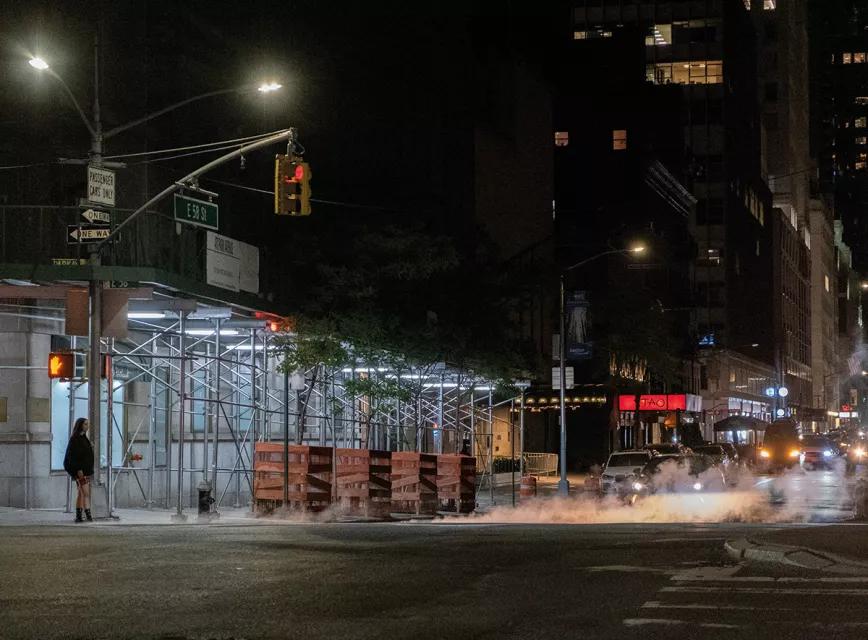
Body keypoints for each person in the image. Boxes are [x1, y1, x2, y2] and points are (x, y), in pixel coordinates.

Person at [63, 417, 94, 523]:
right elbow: (74, 456)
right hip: (80, 471)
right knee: (85, 493)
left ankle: (79, 516)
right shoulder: (75, 439)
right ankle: (88, 515)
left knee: (81, 493)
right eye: (85, 424)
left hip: (85, 470)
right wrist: (78, 469)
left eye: (88, 424)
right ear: (80, 425)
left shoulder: (83, 438)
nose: (88, 426)